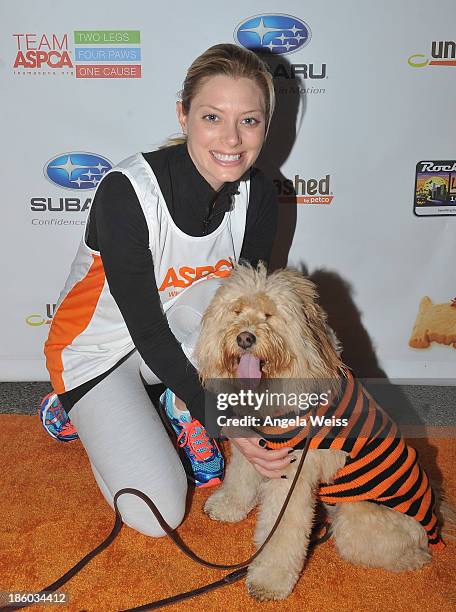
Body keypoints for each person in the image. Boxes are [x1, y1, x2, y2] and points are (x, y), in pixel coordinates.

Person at [42, 43, 296, 537]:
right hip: (95, 352)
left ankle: (176, 402)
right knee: (159, 516)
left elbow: (243, 321)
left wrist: (241, 404)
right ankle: (77, 406)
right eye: (211, 116)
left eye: (249, 120)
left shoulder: (258, 193)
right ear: (183, 116)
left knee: (235, 304)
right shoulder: (128, 192)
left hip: (176, 339)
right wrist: (229, 421)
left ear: (266, 125)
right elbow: (148, 330)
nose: (231, 138)